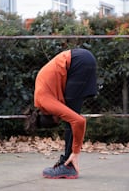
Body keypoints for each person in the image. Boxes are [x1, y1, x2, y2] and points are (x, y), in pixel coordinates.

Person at [26, 48, 97, 179]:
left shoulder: (45, 101)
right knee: (71, 117)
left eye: (57, 118)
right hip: (82, 59)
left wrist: (76, 152)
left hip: (77, 62)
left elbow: (79, 121)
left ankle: (68, 165)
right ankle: (66, 162)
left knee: (71, 120)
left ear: (51, 116)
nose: (59, 116)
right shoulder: (44, 98)